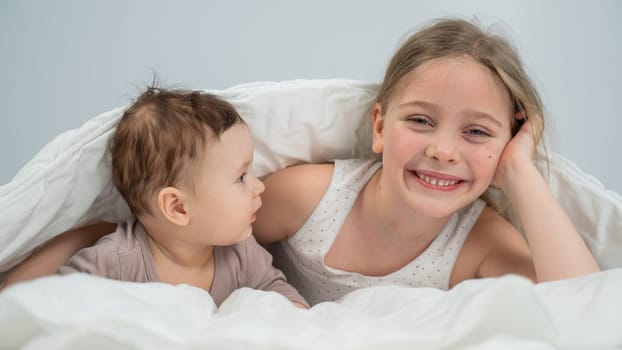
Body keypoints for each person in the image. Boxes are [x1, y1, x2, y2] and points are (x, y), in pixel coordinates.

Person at [1, 18, 599, 306]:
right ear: (380, 127)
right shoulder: (311, 197)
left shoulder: (482, 244)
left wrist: (519, 170)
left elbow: (584, 308)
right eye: (420, 121)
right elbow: (186, 233)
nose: (444, 149)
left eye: (477, 132)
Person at [3, 86, 308, 308]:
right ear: (177, 207)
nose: (260, 186)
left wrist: (295, 313)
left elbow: (276, 289)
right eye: (241, 177)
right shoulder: (116, 260)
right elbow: (56, 307)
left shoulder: (241, 253)